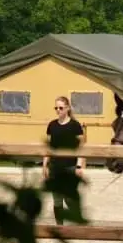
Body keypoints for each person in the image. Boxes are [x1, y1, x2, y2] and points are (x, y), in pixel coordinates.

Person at [43, 95, 86, 225]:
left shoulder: (75, 125)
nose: (58, 110)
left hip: (70, 167)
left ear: (67, 108)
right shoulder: (52, 125)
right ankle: (59, 227)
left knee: (69, 198)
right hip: (55, 167)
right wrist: (45, 165)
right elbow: (48, 148)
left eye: (61, 108)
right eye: (56, 108)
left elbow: (81, 148)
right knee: (57, 200)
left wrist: (79, 166)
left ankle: (77, 222)